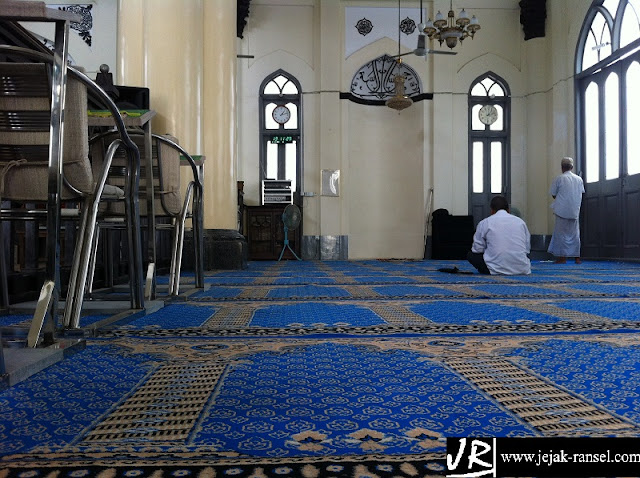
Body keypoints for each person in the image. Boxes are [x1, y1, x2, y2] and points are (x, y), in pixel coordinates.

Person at [467, 195, 531, 275]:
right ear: (508, 210)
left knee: (471, 255)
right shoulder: (521, 222)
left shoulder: (485, 222)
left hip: (494, 269)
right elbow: (527, 249)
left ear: (492, 210)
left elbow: (477, 249)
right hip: (522, 269)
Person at [548, 156, 585, 264]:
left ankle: (562, 258)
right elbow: (580, 193)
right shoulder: (579, 179)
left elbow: (554, 194)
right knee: (575, 234)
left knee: (561, 235)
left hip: (561, 211)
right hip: (574, 211)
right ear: (572, 167)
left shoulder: (559, 178)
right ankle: (577, 258)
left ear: (562, 167)